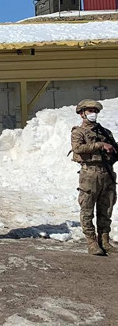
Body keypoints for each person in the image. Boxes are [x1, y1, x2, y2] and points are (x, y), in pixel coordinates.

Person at [71, 99, 117, 256]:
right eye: (90, 111)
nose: (93, 114)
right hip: (90, 174)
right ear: (82, 113)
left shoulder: (104, 132)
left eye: (95, 111)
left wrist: (112, 152)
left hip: (107, 174)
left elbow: (114, 149)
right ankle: (91, 242)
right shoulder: (78, 132)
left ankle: (104, 241)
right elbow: (77, 148)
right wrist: (99, 145)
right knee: (87, 209)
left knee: (106, 209)